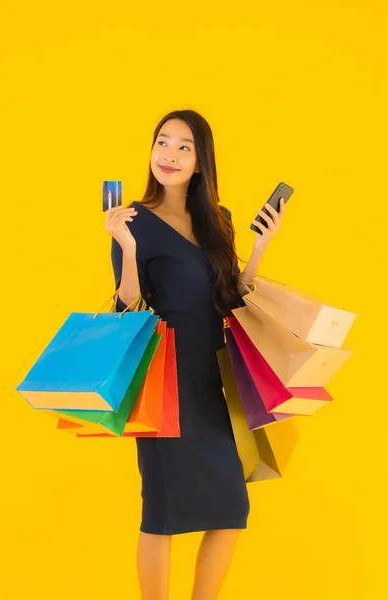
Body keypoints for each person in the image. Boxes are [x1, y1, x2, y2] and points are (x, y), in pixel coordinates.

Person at [105, 110, 285, 600]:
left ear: (201, 160)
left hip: (211, 381)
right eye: (163, 142)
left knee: (231, 509)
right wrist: (123, 246)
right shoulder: (133, 222)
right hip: (163, 379)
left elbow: (230, 300)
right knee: (162, 513)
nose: (169, 154)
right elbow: (127, 310)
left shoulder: (216, 221)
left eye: (184, 147)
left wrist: (260, 248)